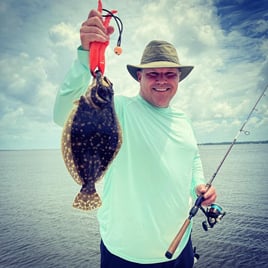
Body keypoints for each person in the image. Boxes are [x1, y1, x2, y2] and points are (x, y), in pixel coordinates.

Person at [53, 9, 217, 268]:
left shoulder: (184, 120)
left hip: (180, 246)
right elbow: (62, 114)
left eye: (169, 74)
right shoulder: (118, 109)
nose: (162, 80)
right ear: (139, 76)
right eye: (153, 73)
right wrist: (86, 57)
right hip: (123, 254)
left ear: (178, 79)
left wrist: (199, 184)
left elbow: (192, 158)